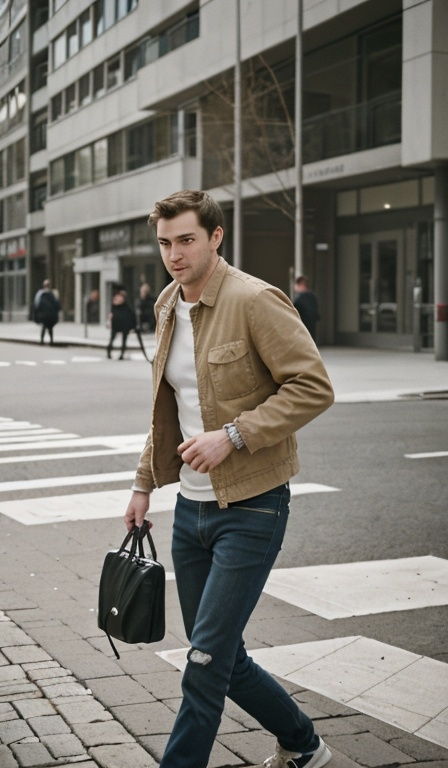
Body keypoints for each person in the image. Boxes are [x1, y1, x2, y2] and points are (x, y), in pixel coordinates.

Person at [123, 190, 334, 768]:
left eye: (186, 240)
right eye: (165, 242)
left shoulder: (254, 300)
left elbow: (313, 387)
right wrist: (144, 482)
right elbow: (167, 409)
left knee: (205, 665)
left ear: (216, 237)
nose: (174, 254)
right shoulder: (169, 304)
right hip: (189, 513)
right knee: (219, 654)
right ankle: (305, 745)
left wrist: (234, 435)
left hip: (253, 505)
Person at [106, 289, 136, 360]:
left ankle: (121, 354)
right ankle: (110, 351)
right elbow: (111, 314)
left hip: (123, 324)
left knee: (122, 339)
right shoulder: (116, 305)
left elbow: (130, 315)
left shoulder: (124, 306)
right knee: (113, 338)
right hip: (117, 323)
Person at [33, 279, 60, 345]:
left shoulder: (40, 293)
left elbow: (37, 304)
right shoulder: (52, 294)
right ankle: (51, 341)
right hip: (50, 314)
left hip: (44, 314)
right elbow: (57, 304)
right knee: (50, 328)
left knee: (44, 327)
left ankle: (42, 340)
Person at [293, 276, 320, 342]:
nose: (295, 287)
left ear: (301, 285)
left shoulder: (299, 299)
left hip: (302, 329)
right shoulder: (313, 297)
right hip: (311, 329)